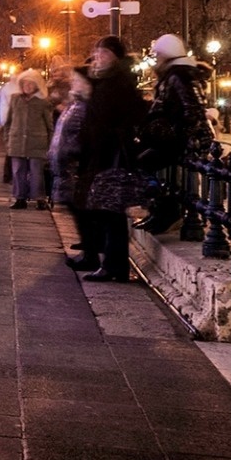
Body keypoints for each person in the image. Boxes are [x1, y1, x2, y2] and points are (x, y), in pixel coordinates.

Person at [74, 35, 146, 282]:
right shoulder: (108, 81)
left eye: (104, 53)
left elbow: (111, 120)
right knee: (107, 210)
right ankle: (111, 264)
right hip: (103, 153)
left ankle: (114, 266)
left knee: (110, 211)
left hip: (110, 155)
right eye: (97, 53)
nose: (98, 58)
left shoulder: (117, 82)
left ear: (116, 56)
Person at [135, 33, 214, 234]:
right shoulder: (176, 74)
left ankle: (167, 212)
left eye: (158, 55)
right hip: (174, 137)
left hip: (179, 140)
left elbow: (192, 110)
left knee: (146, 163)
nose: (156, 60)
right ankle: (159, 211)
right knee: (154, 168)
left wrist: (176, 136)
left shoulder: (179, 75)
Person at [51, 70, 96, 269]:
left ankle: (90, 256)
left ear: (87, 84)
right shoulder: (76, 103)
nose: (73, 82)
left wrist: (70, 155)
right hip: (67, 166)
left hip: (75, 167)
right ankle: (88, 252)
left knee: (82, 211)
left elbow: (80, 136)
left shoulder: (85, 106)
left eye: (77, 80)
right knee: (77, 210)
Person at [5, 74, 55, 209]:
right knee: (18, 171)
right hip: (17, 141)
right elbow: (9, 121)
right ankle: (20, 198)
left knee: (36, 172)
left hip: (37, 142)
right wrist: (7, 139)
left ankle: (40, 199)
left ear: (36, 86)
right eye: (25, 84)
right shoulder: (15, 99)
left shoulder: (43, 102)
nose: (27, 86)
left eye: (31, 84)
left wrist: (50, 144)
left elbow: (49, 125)